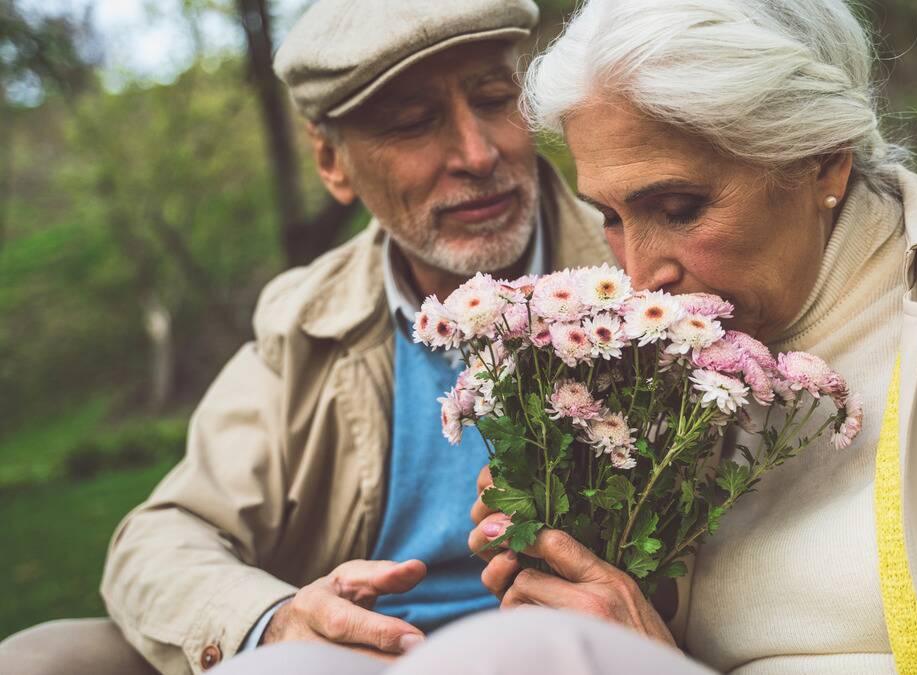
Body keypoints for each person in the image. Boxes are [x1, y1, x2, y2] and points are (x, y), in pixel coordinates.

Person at [448, 0, 917, 673]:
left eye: (678, 206)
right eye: (611, 217)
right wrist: (584, 558)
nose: (642, 276)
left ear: (821, 160)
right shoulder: (669, 370)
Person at [0, 0, 613, 673]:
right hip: (367, 659)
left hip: (574, 651)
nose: (477, 153)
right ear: (332, 162)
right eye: (414, 123)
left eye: (496, 99)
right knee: (38, 657)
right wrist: (275, 622)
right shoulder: (305, 319)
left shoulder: (636, 273)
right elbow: (161, 536)